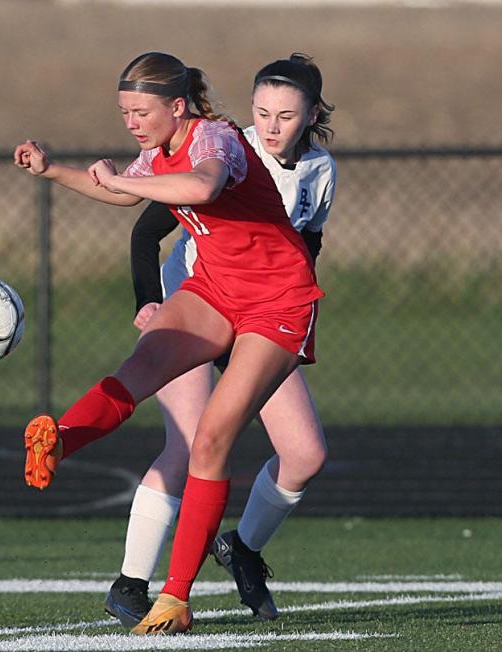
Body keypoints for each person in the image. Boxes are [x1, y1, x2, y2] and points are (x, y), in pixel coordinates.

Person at [14, 51, 323, 635]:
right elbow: (127, 195)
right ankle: (59, 445)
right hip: (215, 287)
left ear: (176, 106)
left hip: (277, 301)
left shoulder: (215, 140)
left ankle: (175, 598)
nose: (131, 122)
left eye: (140, 112)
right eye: (125, 111)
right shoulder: (160, 148)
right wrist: (54, 171)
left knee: (210, 438)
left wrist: (127, 178)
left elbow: (202, 188)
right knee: (140, 367)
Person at [105, 53, 336, 628]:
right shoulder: (229, 149)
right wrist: (147, 302)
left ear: (311, 115)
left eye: (286, 114)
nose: (272, 126)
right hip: (201, 303)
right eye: (262, 113)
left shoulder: (320, 169)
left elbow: (304, 247)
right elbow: (147, 228)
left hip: (263, 313)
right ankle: (132, 584)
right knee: (190, 442)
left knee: (305, 454)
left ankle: (242, 549)